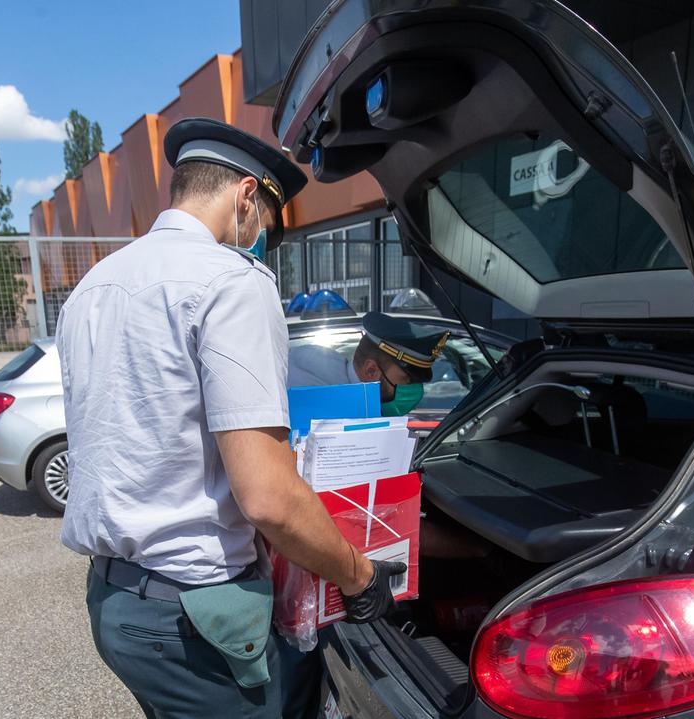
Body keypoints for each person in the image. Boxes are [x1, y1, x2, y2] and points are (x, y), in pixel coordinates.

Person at [56, 116, 404, 718]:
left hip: (116, 599)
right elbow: (267, 499)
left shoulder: (94, 285)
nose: (263, 237)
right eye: (267, 222)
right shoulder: (231, 282)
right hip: (200, 615)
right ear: (247, 196)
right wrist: (358, 574)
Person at [288, 310, 448, 416]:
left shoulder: (365, 402)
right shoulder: (312, 390)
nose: (415, 390)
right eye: (407, 380)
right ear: (371, 370)